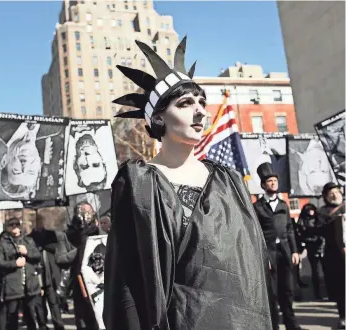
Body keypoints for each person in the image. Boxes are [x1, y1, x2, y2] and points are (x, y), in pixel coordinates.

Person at [104, 37, 271, 330]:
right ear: (158, 118)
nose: (200, 111)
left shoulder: (229, 180)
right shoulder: (137, 182)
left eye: (202, 102)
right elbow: (125, 279)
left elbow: (253, 263)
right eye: (185, 103)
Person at [253, 162, 304, 330]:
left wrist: (295, 250)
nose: (273, 183)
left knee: (287, 291)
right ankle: (273, 326)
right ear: (263, 185)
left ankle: (292, 325)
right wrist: (262, 256)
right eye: (269, 181)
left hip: (285, 253)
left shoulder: (283, 205)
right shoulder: (257, 207)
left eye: (275, 180)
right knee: (272, 295)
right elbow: (256, 234)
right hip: (269, 255)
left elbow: (290, 230)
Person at [0, 218, 46, 330]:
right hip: (13, 287)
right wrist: (15, 263)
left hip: (30, 286)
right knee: (12, 319)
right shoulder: (3, 244)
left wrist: (27, 252)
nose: (15, 227)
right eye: (11, 225)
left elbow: (37, 256)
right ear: (7, 227)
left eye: (17, 224)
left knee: (31, 317)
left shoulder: (28, 240)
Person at [66, 202, 101, 330]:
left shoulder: (97, 230)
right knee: (82, 317)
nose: (84, 215)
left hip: (97, 278)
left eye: (87, 211)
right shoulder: (72, 233)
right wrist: (77, 225)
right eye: (81, 212)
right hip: (79, 280)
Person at [316, 182, 345, 329]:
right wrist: (337, 213)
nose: (335, 195)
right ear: (326, 197)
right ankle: (343, 316)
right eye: (331, 193)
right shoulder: (323, 212)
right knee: (341, 288)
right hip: (335, 255)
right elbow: (320, 229)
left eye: (337, 192)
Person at [32, 227, 65, 330]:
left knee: (54, 303)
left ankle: (58, 324)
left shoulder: (51, 244)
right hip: (39, 279)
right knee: (40, 305)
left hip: (50, 278)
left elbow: (58, 249)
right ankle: (43, 325)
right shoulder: (35, 247)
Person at [298, 203, 326, 300]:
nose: (311, 212)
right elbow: (301, 235)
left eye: (312, 210)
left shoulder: (319, 219)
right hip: (311, 247)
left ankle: (328, 292)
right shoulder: (303, 222)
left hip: (321, 245)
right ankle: (317, 294)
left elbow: (323, 232)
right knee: (316, 272)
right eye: (309, 210)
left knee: (326, 270)